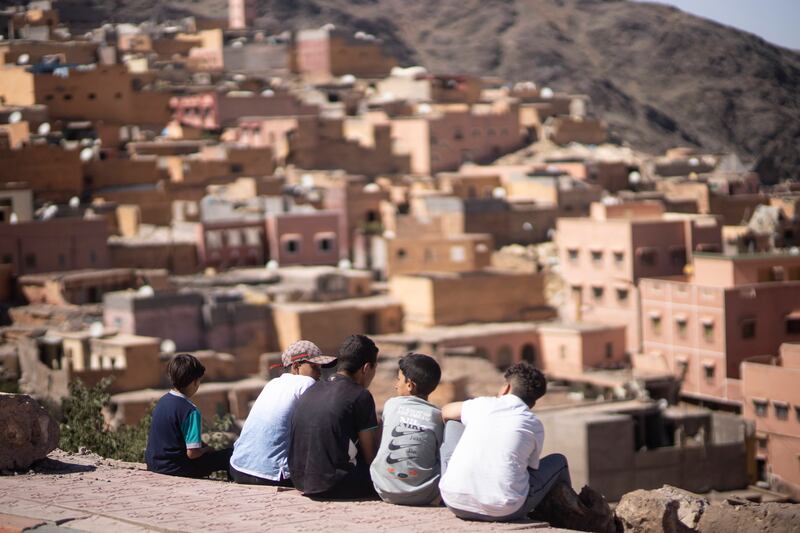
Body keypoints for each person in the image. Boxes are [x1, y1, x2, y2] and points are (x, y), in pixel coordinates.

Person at [438, 362, 571, 522]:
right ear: (533, 402)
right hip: (504, 510)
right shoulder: (534, 424)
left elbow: (445, 411)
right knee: (559, 461)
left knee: (454, 421)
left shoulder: (482, 404)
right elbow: (531, 468)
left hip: (454, 501)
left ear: (506, 388)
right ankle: (566, 516)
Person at [229, 340, 336, 486]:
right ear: (296, 366)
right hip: (270, 475)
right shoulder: (306, 383)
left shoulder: (272, 384)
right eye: (314, 367)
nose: (319, 373)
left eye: (320, 367)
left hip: (238, 468)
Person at [289, 334, 380, 499]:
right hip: (335, 485)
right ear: (366, 368)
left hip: (300, 481)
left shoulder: (312, 390)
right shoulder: (361, 396)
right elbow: (370, 456)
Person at [370, 353, 444, 506]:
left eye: (398, 380)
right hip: (425, 493)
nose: (396, 385)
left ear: (410, 385)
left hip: (384, 488)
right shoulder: (437, 416)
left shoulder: (392, 405)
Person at [145, 353, 233, 478]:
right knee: (229, 455)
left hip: (154, 465)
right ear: (194, 382)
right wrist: (206, 449)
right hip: (177, 468)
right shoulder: (190, 411)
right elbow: (193, 453)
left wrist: (202, 446)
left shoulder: (162, 401)